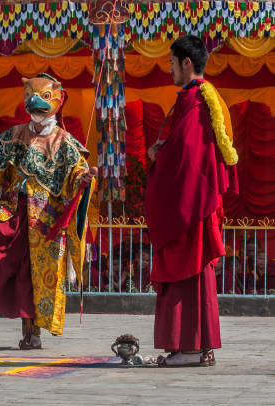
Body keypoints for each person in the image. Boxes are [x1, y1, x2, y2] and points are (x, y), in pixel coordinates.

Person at [0, 74, 97, 349]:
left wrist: (84, 179)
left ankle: (32, 332)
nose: (34, 106)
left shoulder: (66, 143)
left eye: (43, 100)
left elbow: (75, 176)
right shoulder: (15, 135)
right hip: (12, 206)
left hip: (44, 219)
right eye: (30, 99)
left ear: (58, 102)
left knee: (32, 275)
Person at [145, 35, 239, 367]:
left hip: (190, 207)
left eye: (172, 63)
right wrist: (158, 154)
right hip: (193, 203)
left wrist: (157, 156)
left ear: (187, 63)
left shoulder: (198, 100)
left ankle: (191, 348)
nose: (169, 70)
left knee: (188, 273)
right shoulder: (194, 99)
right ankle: (191, 347)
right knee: (192, 275)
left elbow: (187, 155)